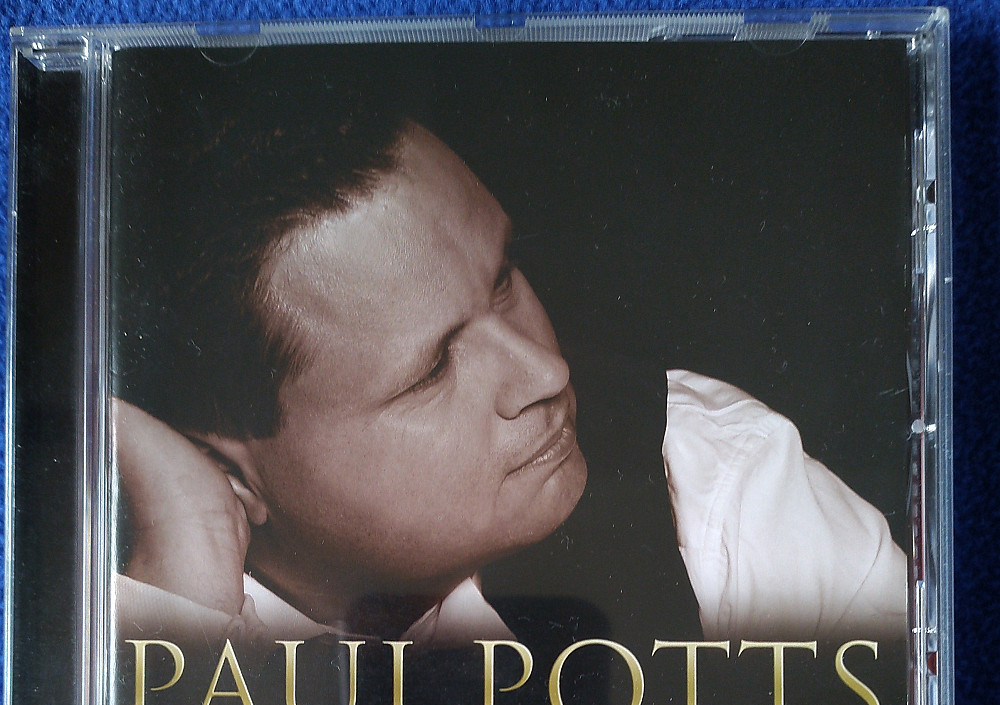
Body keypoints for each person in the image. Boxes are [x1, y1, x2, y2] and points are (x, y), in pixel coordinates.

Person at [113, 114, 906, 647]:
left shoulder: (707, 470)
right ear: (229, 473)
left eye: (503, 279)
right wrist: (178, 621)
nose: (547, 372)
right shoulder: (101, 625)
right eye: (433, 368)